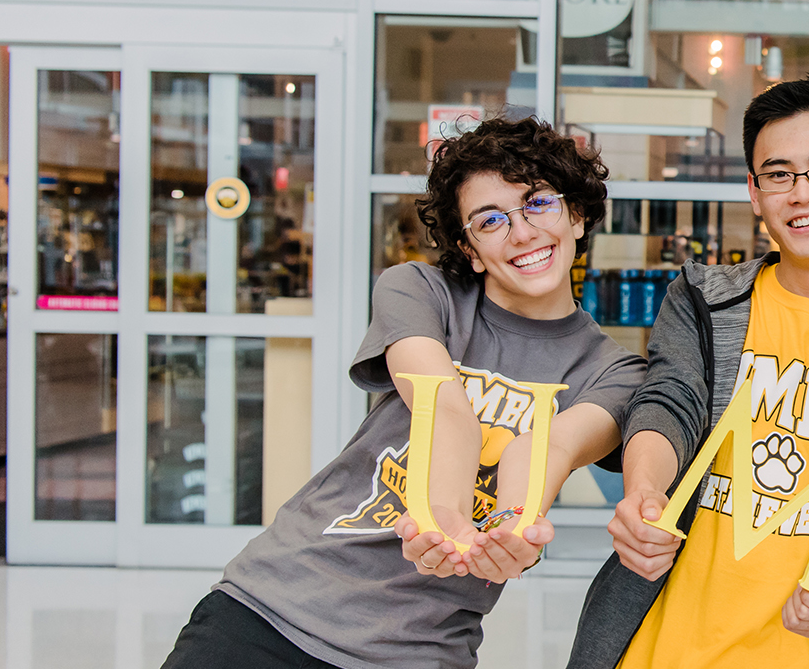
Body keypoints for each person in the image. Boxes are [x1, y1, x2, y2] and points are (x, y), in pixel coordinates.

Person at [161, 115, 648, 669]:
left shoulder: (615, 371)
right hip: (274, 610)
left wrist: (513, 530)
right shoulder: (420, 292)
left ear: (577, 215)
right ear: (469, 248)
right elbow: (442, 406)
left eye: (538, 203)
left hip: (420, 650)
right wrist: (442, 518)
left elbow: (544, 448)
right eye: (489, 221)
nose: (521, 232)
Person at [566, 76, 809, 669]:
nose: (802, 193)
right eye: (778, 174)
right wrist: (644, 494)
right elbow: (669, 401)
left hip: (808, 650)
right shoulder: (701, 297)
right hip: (657, 645)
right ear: (754, 191)